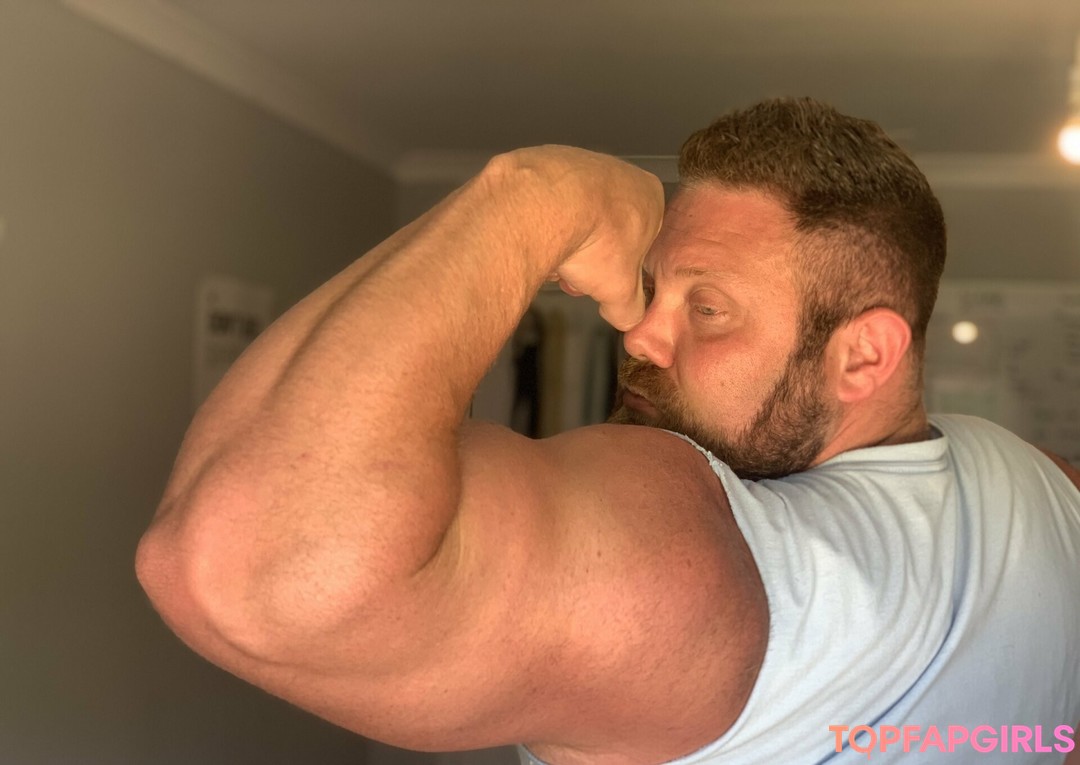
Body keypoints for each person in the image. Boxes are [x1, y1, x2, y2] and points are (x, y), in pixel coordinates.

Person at [136, 98, 1080, 764]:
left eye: (706, 308)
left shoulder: (736, 564)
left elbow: (245, 565)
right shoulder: (1033, 482)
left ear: (864, 356)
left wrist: (534, 199)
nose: (638, 333)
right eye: (653, 290)